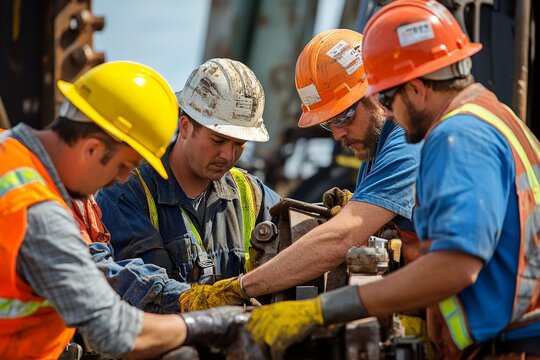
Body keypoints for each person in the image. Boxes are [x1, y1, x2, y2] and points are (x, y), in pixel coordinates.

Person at [243, 1, 540, 359]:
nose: (386, 109)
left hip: (512, 346)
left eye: (385, 96)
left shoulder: (457, 136)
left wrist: (325, 309)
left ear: (416, 88)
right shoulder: (491, 114)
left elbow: (454, 266)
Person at [0, 61, 249, 359]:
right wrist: (214, 322)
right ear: (91, 148)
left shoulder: (10, 154)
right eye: (124, 166)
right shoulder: (37, 212)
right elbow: (116, 331)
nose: (121, 180)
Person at [178, 29, 421, 311]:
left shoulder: (406, 142)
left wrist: (241, 288)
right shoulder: (372, 159)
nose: (338, 134)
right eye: (329, 123)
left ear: (376, 91)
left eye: (344, 115)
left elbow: (342, 239)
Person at [95, 58, 280, 310]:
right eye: (218, 140)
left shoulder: (250, 194)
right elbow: (129, 288)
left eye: (239, 144)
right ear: (185, 126)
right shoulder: (128, 194)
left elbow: (302, 240)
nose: (228, 155)